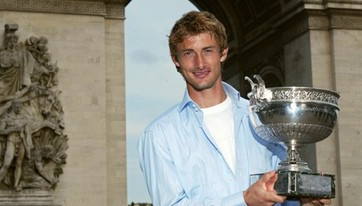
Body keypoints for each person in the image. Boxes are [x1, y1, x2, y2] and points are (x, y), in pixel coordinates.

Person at [137, 10, 331, 206]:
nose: (200, 63)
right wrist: (244, 200)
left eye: (208, 50)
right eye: (189, 53)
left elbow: (281, 190)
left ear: (223, 52)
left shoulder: (262, 116)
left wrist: (302, 203)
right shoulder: (158, 135)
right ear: (175, 59)